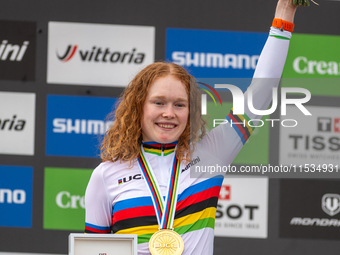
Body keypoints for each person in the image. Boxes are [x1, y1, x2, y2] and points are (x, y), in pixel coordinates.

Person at [85, 0, 300, 254]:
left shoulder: (211, 154)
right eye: (159, 102)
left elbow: (261, 94)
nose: (169, 113)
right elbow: (93, 250)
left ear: (191, 111)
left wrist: (285, 13)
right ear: (139, 107)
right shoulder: (106, 175)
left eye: (179, 104)